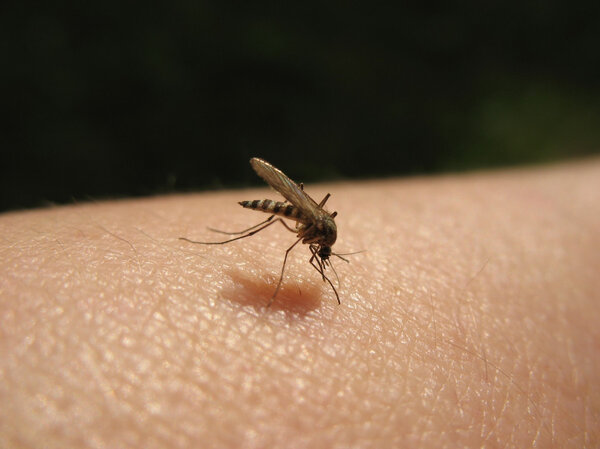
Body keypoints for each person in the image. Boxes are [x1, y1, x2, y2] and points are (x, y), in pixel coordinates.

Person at [1, 159, 598, 448]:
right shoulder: (315, 232)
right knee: (280, 234)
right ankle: (231, 237)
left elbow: (319, 224)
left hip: (307, 211)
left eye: (324, 252)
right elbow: (306, 222)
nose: (321, 255)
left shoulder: (325, 232)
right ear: (325, 241)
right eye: (325, 253)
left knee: (295, 230)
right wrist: (295, 215)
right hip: (292, 209)